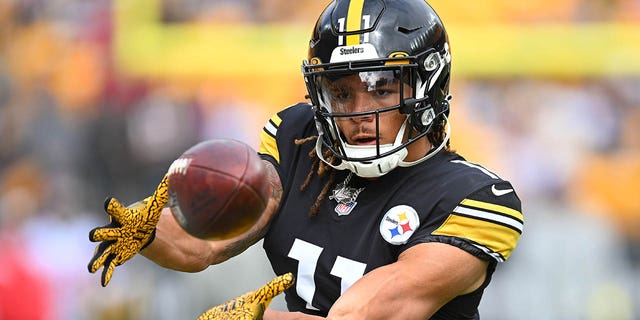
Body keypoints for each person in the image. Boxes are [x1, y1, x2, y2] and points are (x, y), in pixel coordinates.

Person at [88, 0, 524, 319]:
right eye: (340, 92)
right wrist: (148, 229)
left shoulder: (476, 198)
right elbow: (203, 243)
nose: (358, 111)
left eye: (380, 87)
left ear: (426, 86)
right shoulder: (299, 140)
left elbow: (362, 314)